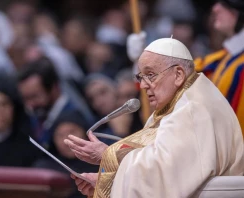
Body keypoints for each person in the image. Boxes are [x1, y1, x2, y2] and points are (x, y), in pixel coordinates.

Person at [64, 38, 244, 197]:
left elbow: (163, 175)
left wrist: (107, 155)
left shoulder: (192, 110)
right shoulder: (178, 103)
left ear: (179, 75)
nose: (142, 85)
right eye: (141, 76)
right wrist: (108, 184)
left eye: (150, 75)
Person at [127, 0, 244, 134]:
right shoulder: (221, 59)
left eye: (226, 4)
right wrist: (142, 62)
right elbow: (173, 78)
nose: (216, 8)